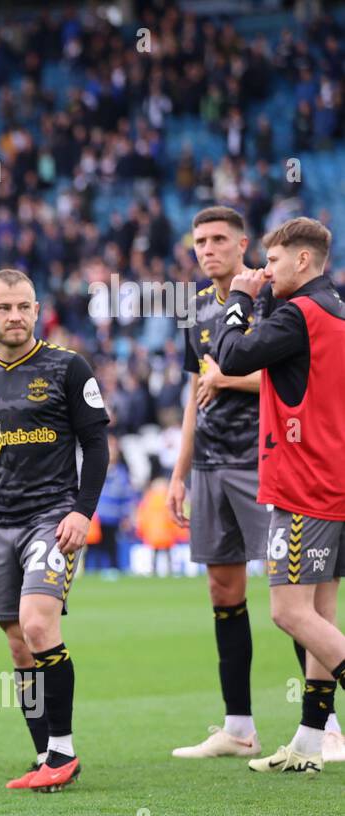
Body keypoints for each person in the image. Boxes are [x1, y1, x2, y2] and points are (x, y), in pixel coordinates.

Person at [165, 207, 326, 759]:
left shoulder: (273, 298)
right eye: (199, 241)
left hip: (266, 461)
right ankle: (238, 728)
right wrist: (179, 473)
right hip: (209, 464)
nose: (207, 249)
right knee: (223, 592)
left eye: (218, 240)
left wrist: (225, 376)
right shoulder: (196, 310)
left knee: (293, 598)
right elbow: (195, 394)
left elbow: (287, 378)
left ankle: (322, 727)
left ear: (243, 244)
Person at [0, 269, 109, 792]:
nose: (14, 316)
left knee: (38, 626)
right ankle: (45, 756)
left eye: (23, 307)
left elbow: (98, 445)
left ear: (37, 311)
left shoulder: (67, 367)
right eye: (4, 307)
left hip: (52, 520)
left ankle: (63, 752)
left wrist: (82, 511)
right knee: (19, 646)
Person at [212, 217, 345, 775]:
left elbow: (232, 356)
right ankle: (311, 743)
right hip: (334, 479)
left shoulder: (300, 315)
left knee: (289, 613)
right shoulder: (335, 310)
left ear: (304, 262)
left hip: (303, 484)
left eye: (274, 260)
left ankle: (315, 739)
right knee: (319, 611)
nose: (266, 270)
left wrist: (239, 299)